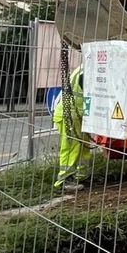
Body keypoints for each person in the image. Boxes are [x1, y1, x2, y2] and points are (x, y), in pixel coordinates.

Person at [52, 64, 91, 192]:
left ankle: (81, 175)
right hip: (70, 115)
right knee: (71, 147)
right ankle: (65, 179)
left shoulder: (86, 68)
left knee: (83, 147)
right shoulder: (87, 72)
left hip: (78, 115)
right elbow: (90, 94)